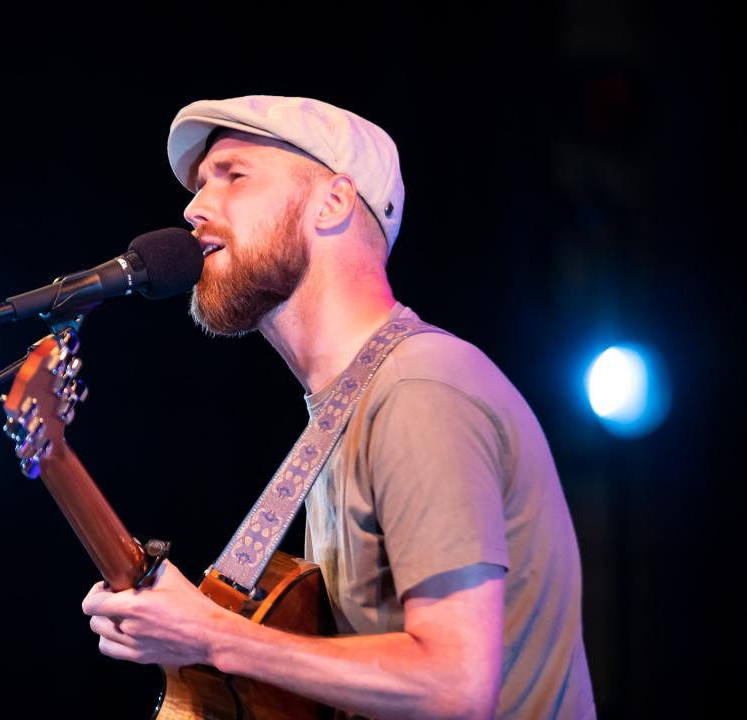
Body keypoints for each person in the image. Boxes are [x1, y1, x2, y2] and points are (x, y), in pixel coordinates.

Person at [81, 96, 595, 719]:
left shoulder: (418, 386)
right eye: (197, 186)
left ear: (333, 202)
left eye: (233, 175)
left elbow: (455, 687)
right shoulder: (345, 407)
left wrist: (213, 636)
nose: (193, 208)